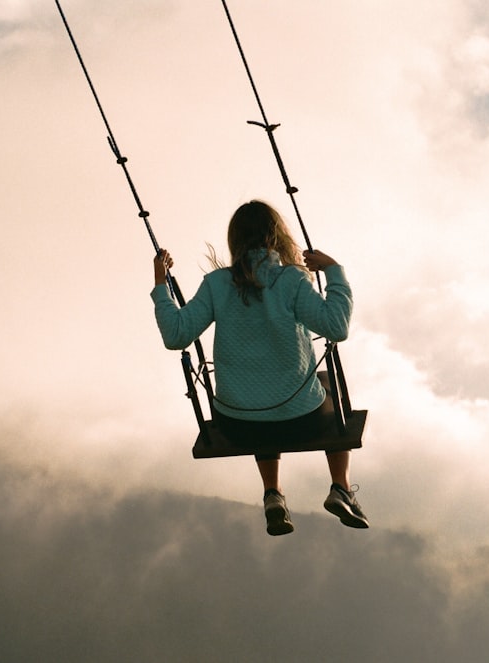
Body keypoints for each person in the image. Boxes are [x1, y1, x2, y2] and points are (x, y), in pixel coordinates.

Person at [150, 200, 368, 536]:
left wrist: (161, 283)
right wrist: (334, 270)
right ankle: (340, 487)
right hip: (301, 423)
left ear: (234, 240)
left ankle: (273, 495)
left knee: (257, 398)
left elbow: (176, 335)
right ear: (276, 236)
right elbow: (336, 327)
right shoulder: (292, 280)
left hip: (238, 425)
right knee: (328, 387)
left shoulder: (216, 284)